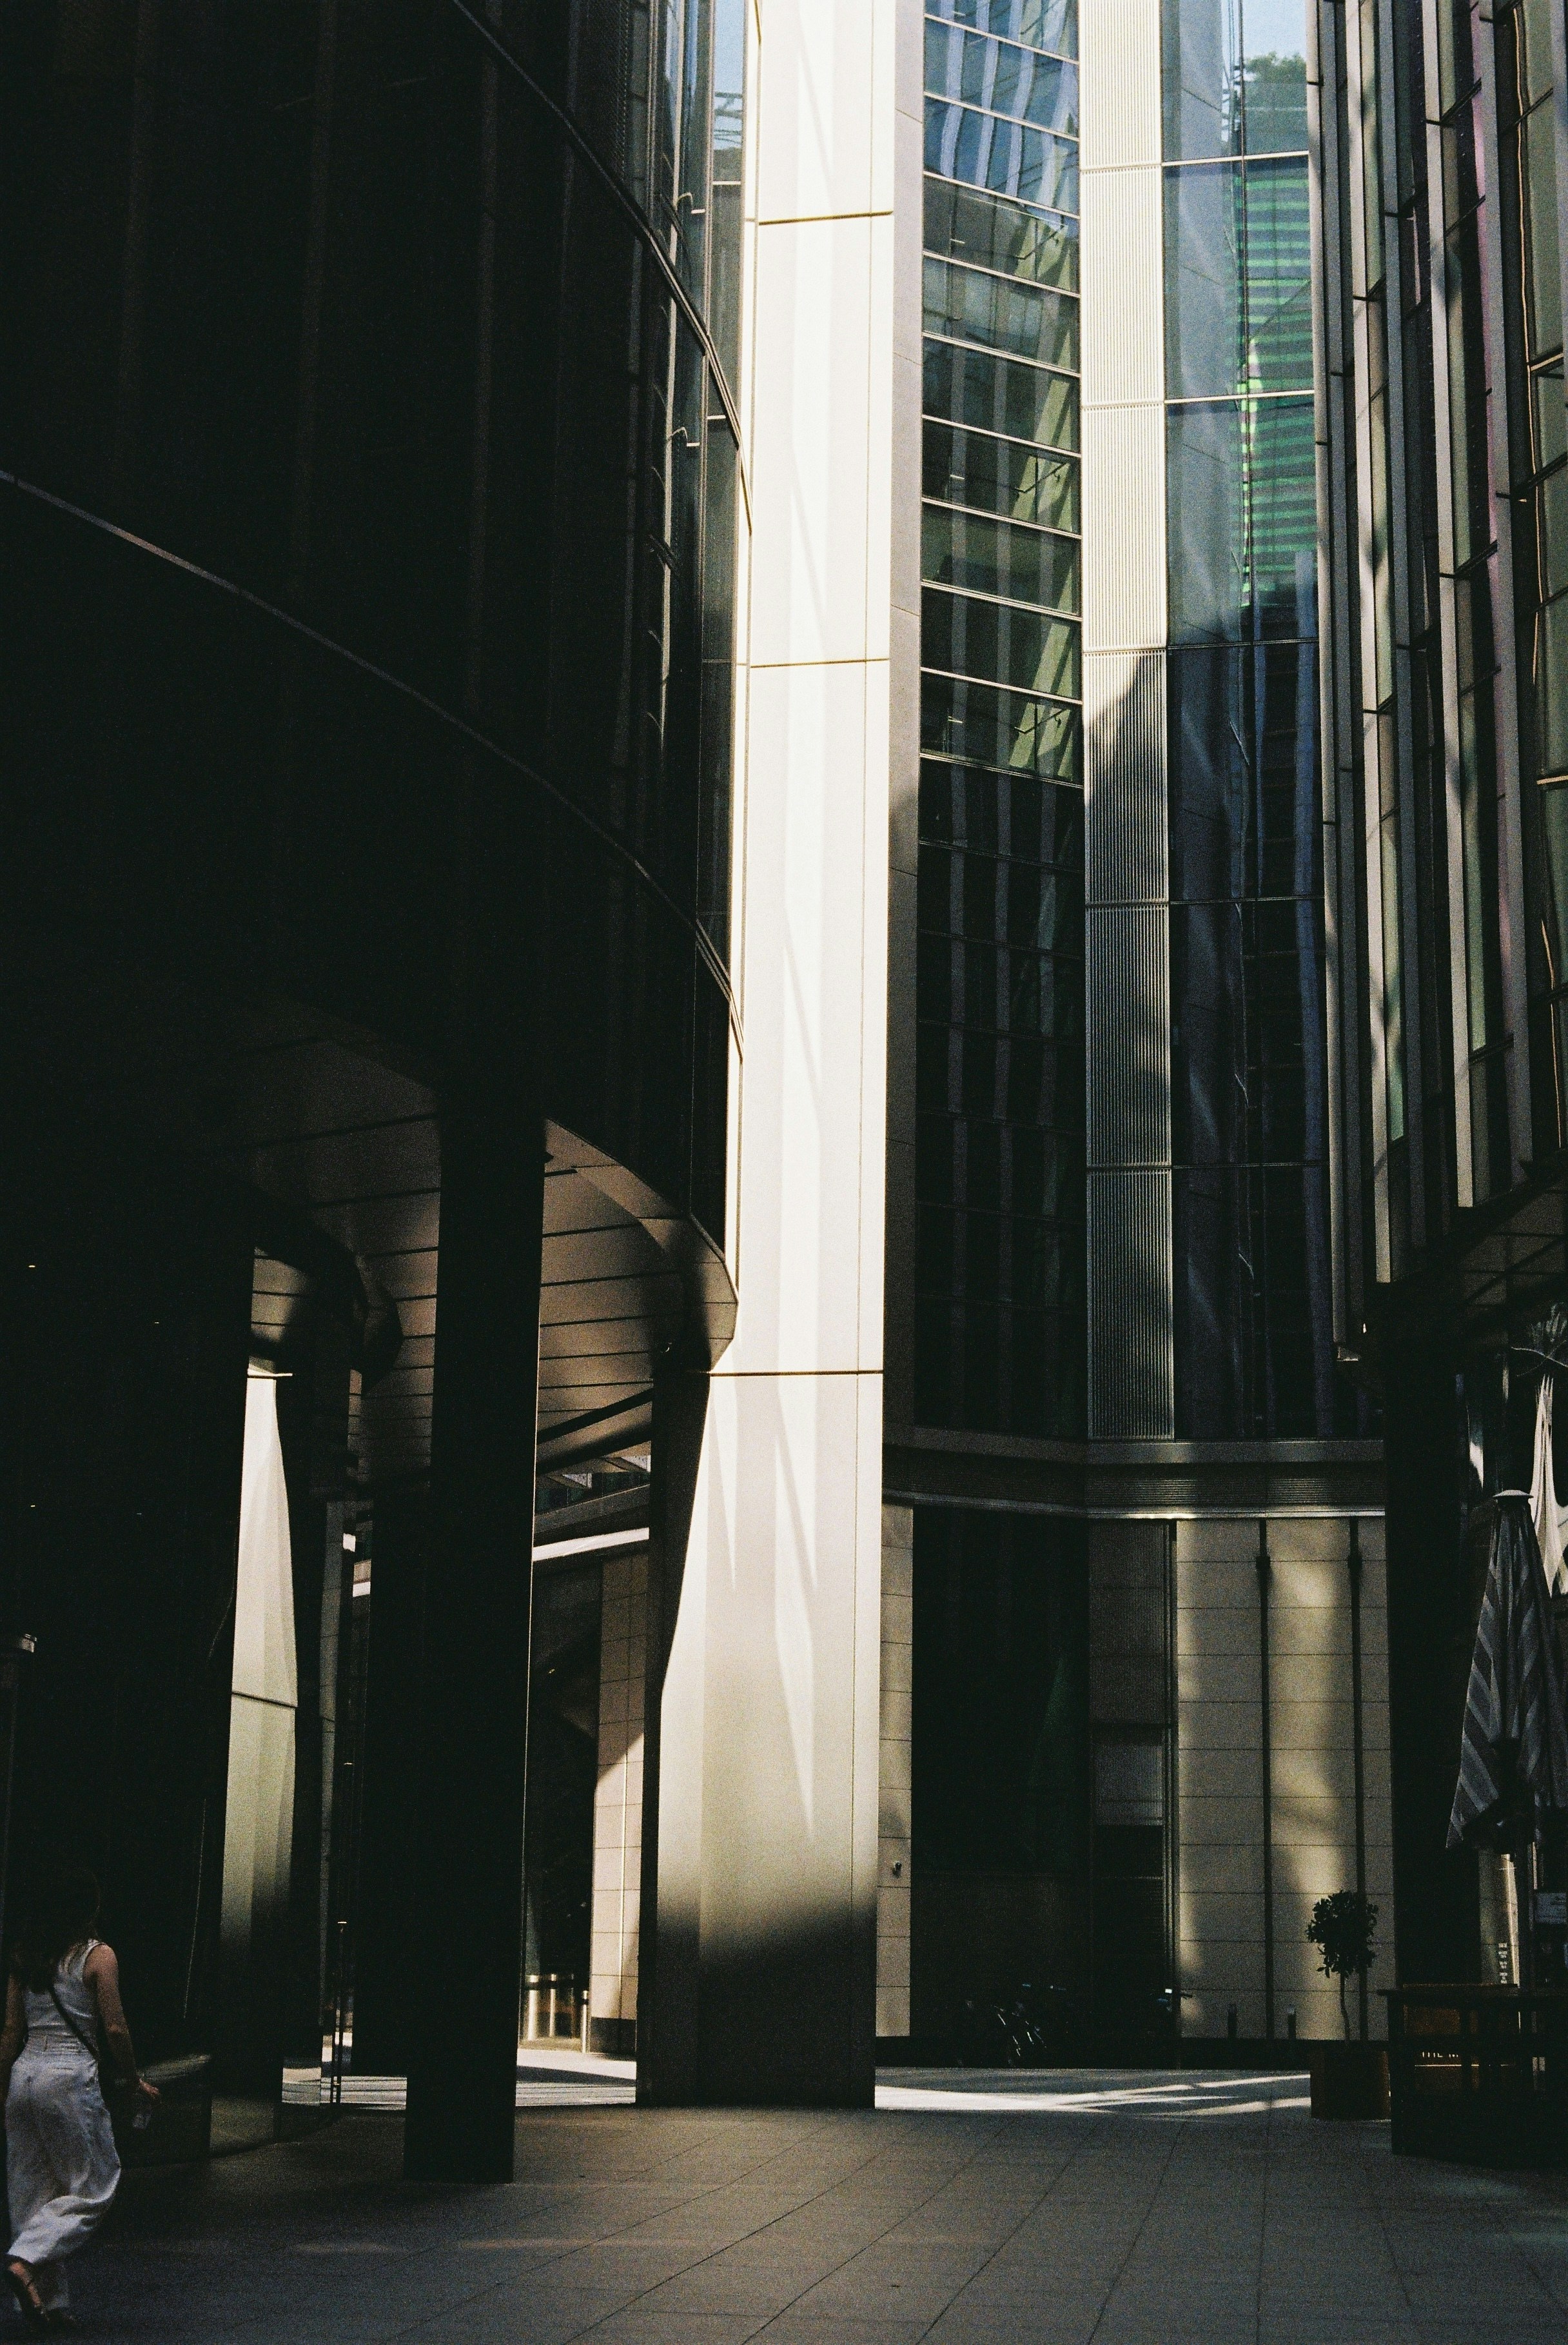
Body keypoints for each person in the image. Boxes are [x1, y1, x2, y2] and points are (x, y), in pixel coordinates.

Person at [0, 1867, 157, 2332]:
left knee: (31, 2190)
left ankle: (49, 2304)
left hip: (24, 2076)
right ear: (90, 1907)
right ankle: (26, 2261)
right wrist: (132, 2082)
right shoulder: (97, 1956)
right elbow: (113, 2027)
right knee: (94, 2185)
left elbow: (10, 2030)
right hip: (69, 2078)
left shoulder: (26, 1955)